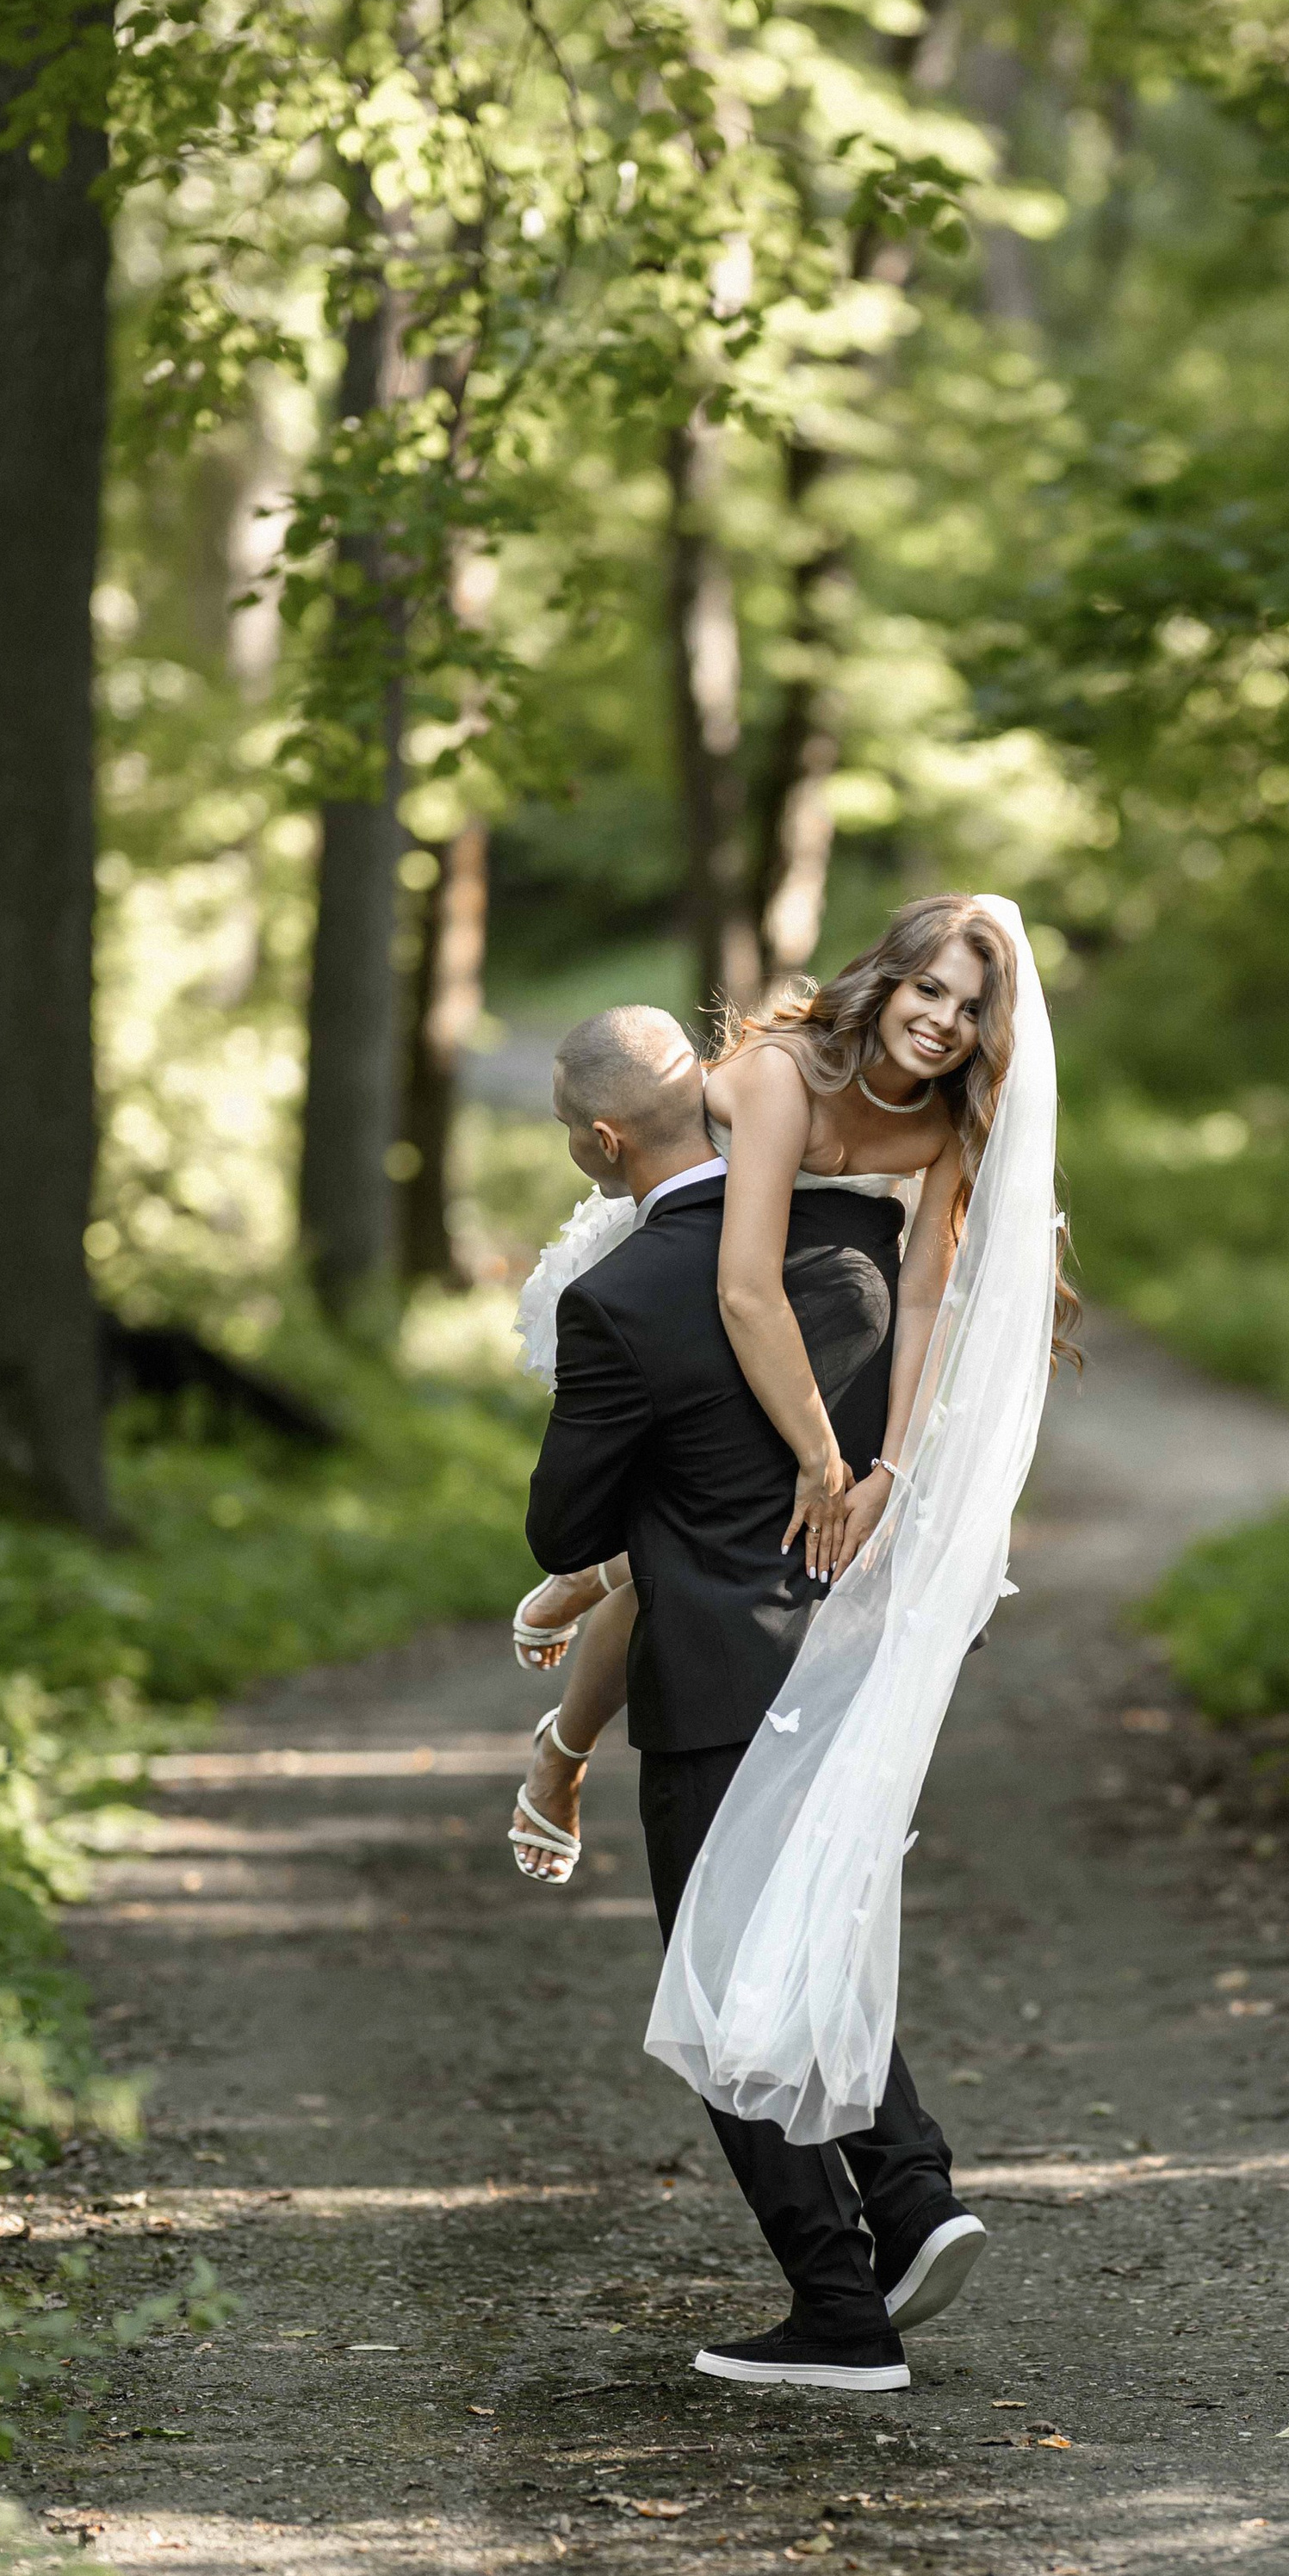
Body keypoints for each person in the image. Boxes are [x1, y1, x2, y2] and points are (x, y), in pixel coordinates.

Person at [522, 988, 990, 2391]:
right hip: (859, 1657)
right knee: (811, 1945)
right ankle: (910, 2195)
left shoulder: (620, 1300)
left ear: (604, 1141)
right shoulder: (855, 1233)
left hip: (723, 1679)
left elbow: (565, 1526)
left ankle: (840, 2317)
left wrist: (601, 1553)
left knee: (728, 1990)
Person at [507, 897, 1008, 1883]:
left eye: (969, 1009)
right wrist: (824, 1464)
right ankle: (566, 1730)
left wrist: (892, 1470)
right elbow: (741, 1284)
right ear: (892, 980)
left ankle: (596, 1593)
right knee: (709, 1536)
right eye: (929, 989)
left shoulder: (949, 1122)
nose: (944, 1023)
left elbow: (922, 1294)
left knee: (769, 1527)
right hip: (702, 1272)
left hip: (809, 1289)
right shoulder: (791, 1075)